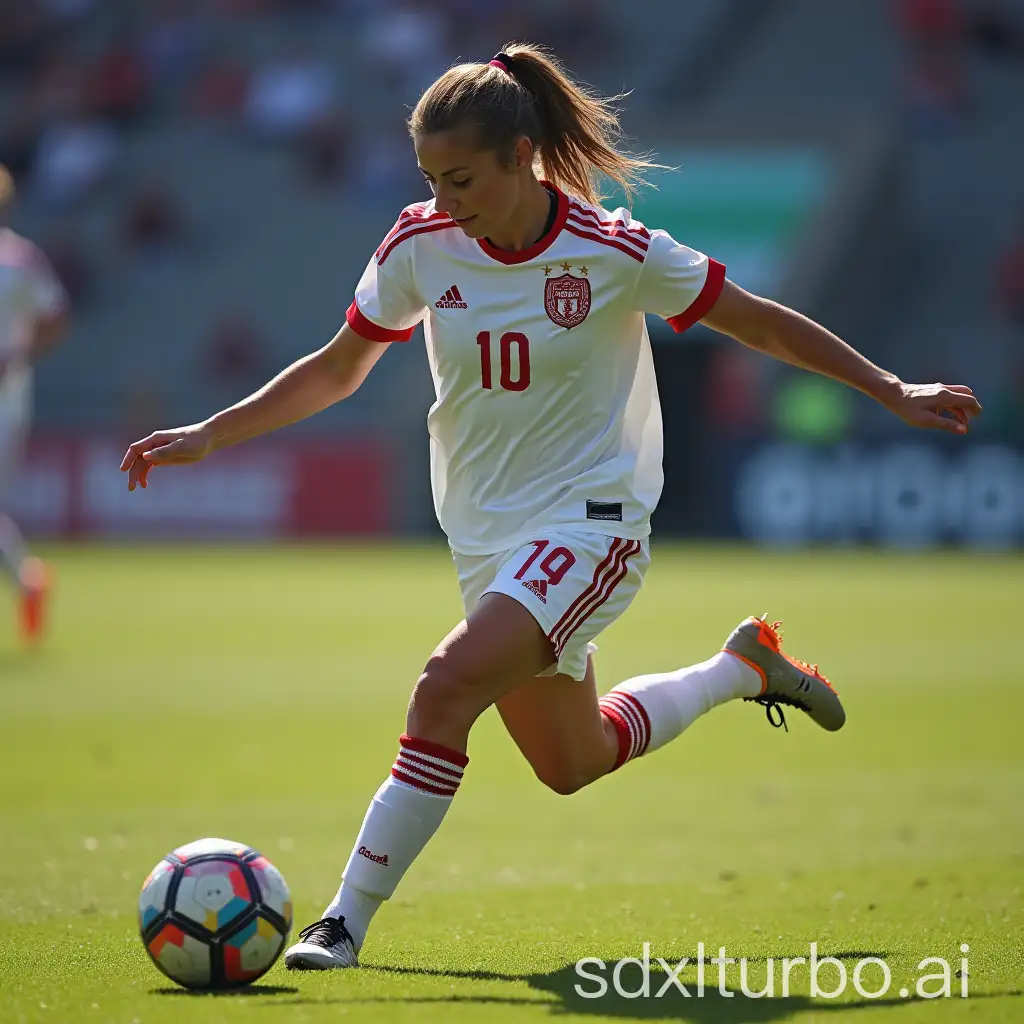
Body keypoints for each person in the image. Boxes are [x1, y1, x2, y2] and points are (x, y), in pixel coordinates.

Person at [119, 44, 982, 969]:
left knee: (444, 685)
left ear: (522, 155)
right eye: (431, 180)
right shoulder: (418, 245)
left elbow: (761, 318)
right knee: (574, 763)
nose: (447, 201)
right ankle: (744, 669)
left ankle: (345, 920)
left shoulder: (616, 252)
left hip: (592, 520)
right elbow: (338, 368)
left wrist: (889, 387)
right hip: (485, 537)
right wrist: (214, 431)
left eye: (463, 179)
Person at [0, 163, 70, 642]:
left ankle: (27, 581)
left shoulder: (19, 261)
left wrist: (18, 356)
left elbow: (54, 317)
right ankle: (27, 581)